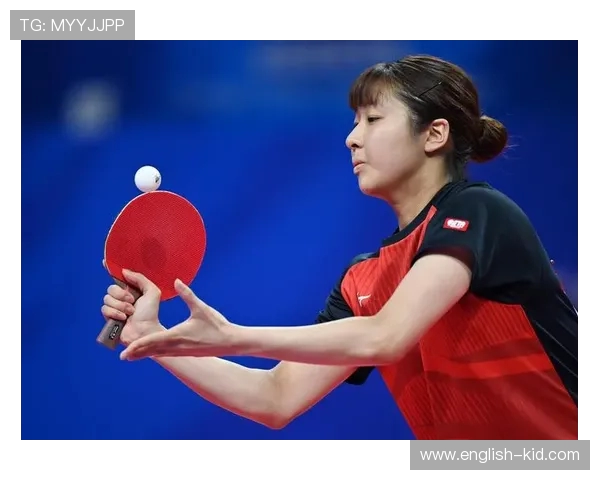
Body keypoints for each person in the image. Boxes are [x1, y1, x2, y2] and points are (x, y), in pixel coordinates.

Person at [101, 55, 578, 439]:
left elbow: (386, 337)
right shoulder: (363, 280)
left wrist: (232, 335)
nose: (352, 138)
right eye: (354, 122)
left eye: (373, 119)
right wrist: (155, 338)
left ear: (434, 134)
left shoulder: (478, 212)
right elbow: (275, 398)